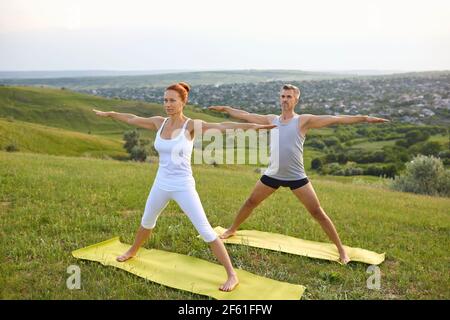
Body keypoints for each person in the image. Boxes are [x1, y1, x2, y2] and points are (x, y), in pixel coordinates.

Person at [93, 82, 275, 291]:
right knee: (147, 220)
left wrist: (255, 127)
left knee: (206, 231)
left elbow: (225, 128)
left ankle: (232, 275)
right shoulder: (158, 122)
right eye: (165, 100)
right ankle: (133, 251)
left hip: (183, 186)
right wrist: (110, 113)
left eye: (172, 100)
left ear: (182, 102)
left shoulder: (191, 126)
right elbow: (132, 119)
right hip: (161, 183)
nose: (168, 104)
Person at [209, 84, 389, 264]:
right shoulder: (272, 120)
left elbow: (336, 119)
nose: (285, 100)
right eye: (282, 96)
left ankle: (341, 250)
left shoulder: (303, 120)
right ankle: (232, 229)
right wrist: (225, 109)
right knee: (251, 202)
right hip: (273, 173)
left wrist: (365, 118)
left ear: (296, 99)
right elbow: (246, 115)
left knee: (317, 212)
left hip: (297, 176)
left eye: (288, 96)